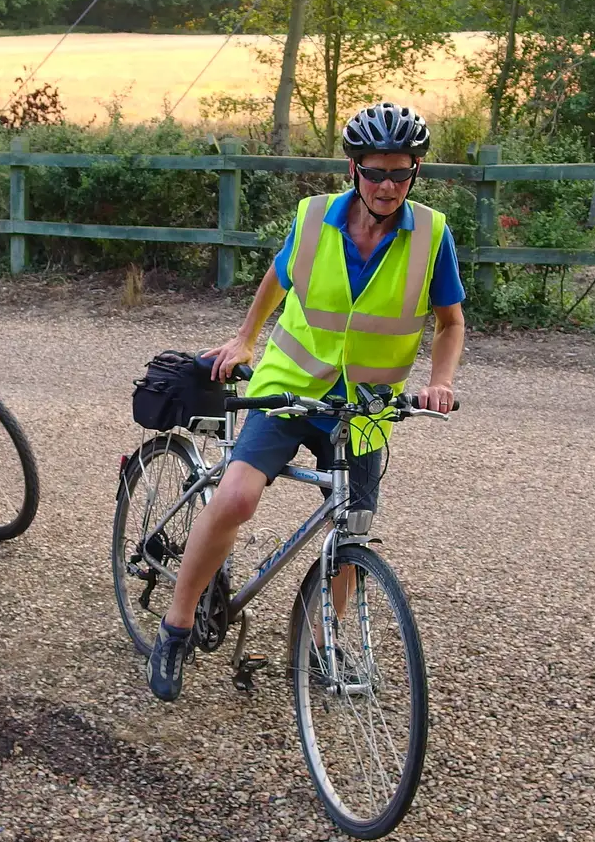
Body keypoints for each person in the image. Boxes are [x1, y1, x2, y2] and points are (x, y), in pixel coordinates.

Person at [146, 101, 467, 702]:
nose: (389, 186)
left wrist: (441, 379)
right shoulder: (315, 218)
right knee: (238, 496)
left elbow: (450, 323)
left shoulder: (432, 234)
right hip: (290, 384)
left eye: (402, 173)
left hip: (364, 406)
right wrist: (245, 339)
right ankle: (177, 625)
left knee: (355, 527)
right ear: (354, 170)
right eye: (377, 172)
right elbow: (279, 275)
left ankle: (322, 641)